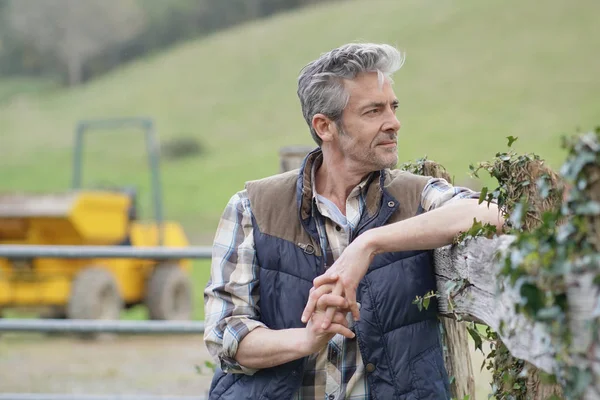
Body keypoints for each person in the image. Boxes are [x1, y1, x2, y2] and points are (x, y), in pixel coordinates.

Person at [203, 43, 503, 400]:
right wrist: (307, 339)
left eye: (392, 107)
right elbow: (225, 334)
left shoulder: (417, 196)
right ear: (325, 126)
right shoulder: (252, 208)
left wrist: (369, 244)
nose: (394, 123)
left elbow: (494, 213)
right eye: (373, 111)